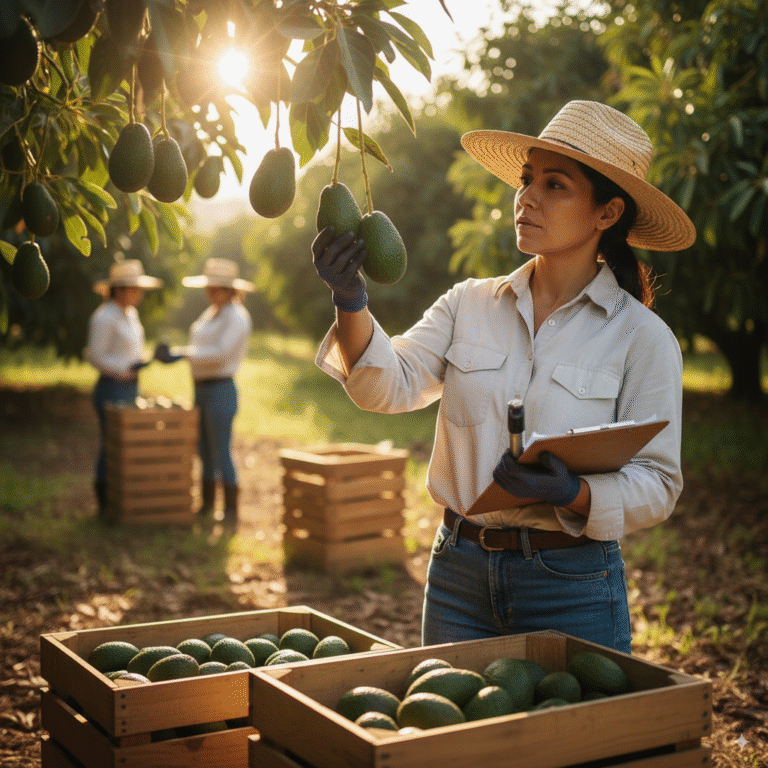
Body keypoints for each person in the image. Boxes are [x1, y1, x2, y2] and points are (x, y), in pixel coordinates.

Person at [310, 101, 696, 654]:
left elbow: (658, 485)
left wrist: (576, 492)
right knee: (451, 734)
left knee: (573, 739)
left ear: (606, 214)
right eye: (526, 180)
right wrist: (350, 301)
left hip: (572, 584)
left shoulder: (643, 338)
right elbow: (384, 387)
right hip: (457, 577)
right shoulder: (469, 304)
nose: (527, 198)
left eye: (555, 185)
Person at [155, 258, 253, 523]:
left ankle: (231, 511)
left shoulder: (237, 317)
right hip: (201, 389)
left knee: (221, 449)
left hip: (221, 389)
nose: (211, 292)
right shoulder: (210, 314)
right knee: (205, 449)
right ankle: (208, 505)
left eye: (217, 288)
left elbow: (220, 353)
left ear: (230, 289)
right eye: (209, 287)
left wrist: (182, 354)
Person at [87, 259, 164, 517]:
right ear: (119, 289)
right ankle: (104, 504)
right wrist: (125, 367)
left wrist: (139, 362)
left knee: (126, 443)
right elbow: (96, 356)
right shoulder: (104, 317)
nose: (139, 294)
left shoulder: (131, 314)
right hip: (111, 387)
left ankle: (123, 498)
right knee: (110, 443)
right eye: (134, 288)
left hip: (131, 386)